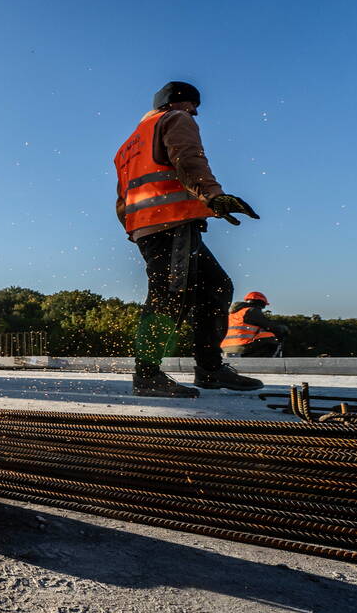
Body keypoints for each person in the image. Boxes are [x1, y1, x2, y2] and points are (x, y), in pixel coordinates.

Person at [114, 81, 267, 397]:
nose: (195, 111)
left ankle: (209, 369)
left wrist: (134, 229)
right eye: (192, 104)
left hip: (148, 228)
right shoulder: (175, 119)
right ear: (176, 102)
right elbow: (188, 158)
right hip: (170, 224)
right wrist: (214, 196)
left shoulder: (128, 145)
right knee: (168, 295)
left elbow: (122, 196)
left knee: (216, 286)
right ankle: (147, 375)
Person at [222, 291, 288, 357]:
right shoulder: (252, 311)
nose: (262, 309)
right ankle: (265, 362)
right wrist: (282, 328)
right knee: (270, 336)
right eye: (263, 306)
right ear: (259, 303)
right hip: (241, 347)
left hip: (225, 348)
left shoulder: (233, 313)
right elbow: (268, 325)